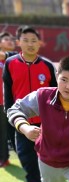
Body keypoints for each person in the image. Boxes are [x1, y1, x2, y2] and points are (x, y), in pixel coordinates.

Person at [3, 25, 57, 182]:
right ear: (19, 42)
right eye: (25, 40)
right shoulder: (10, 63)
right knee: (25, 153)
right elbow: (8, 90)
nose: (30, 44)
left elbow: (55, 92)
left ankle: (50, 180)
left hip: (44, 119)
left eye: (34, 40)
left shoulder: (47, 65)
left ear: (39, 43)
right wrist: (9, 112)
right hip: (21, 119)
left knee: (47, 153)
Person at [0, 31, 17, 167]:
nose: (10, 41)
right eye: (6, 39)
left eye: (12, 39)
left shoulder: (16, 57)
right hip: (1, 102)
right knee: (2, 132)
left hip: (16, 102)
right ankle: (3, 159)